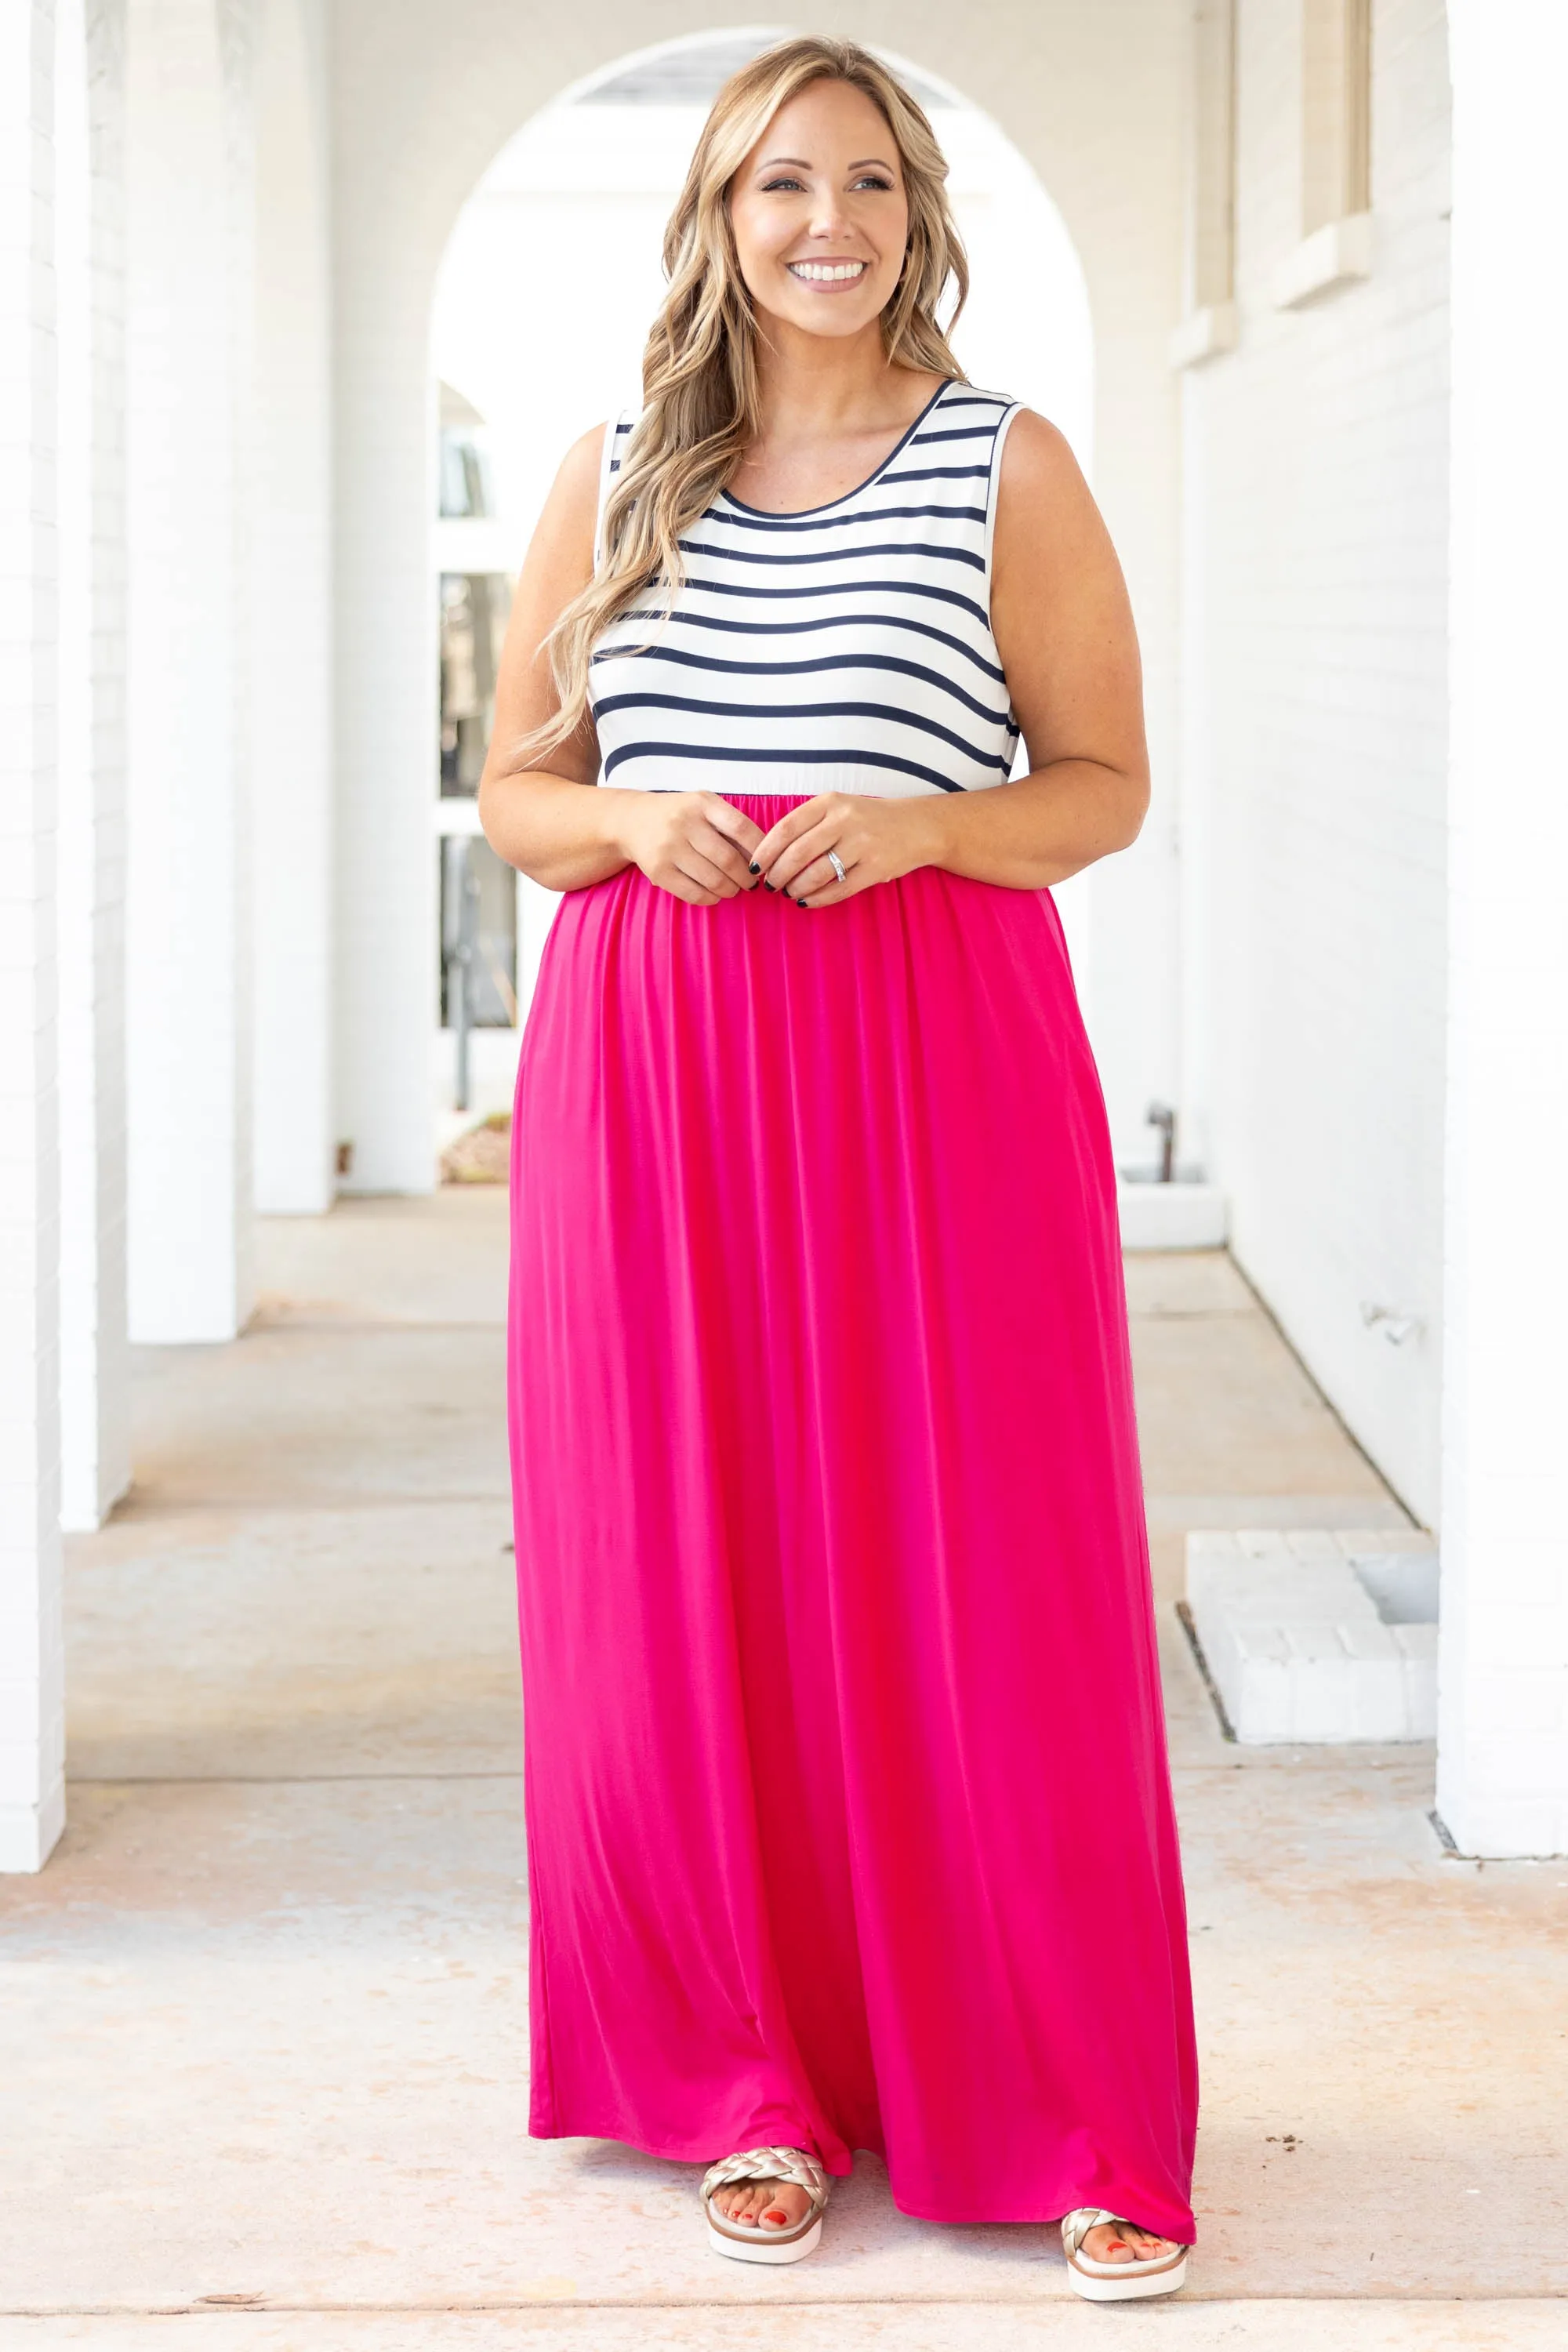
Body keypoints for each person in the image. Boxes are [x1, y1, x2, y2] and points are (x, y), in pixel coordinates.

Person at [478, 34, 1198, 2306]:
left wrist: (923, 830)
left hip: (933, 1054)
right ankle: (739, 2082)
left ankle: (1075, 2094)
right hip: (657, 1066)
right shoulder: (616, 478)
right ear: (715, 212)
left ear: (919, 214)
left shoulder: (1007, 465)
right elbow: (518, 788)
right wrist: (627, 823)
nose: (827, 221)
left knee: (988, 1566)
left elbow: (1098, 785)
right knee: (684, 1577)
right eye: (782, 180)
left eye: (869, 180)